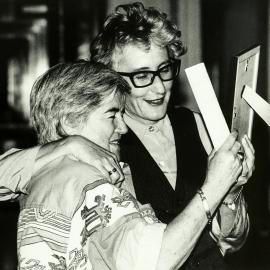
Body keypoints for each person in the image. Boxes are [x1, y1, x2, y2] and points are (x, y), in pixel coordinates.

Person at [0, 2, 254, 269]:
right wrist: (68, 145)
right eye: (142, 75)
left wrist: (231, 193)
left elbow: (229, 243)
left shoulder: (198, 124)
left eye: (165, 70)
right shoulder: (101, 138)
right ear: (110, 76)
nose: (158, 88)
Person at [16, 60, 243, 270]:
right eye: (111, 115)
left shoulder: (42, 175)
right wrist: (215, 185)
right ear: (69, 122)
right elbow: (156, 260)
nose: (123, 128)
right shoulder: (89, 185)